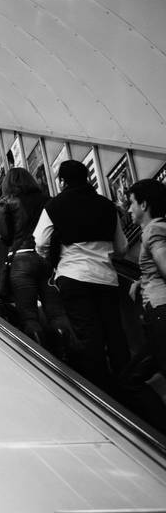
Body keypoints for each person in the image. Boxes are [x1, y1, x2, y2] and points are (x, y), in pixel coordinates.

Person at [33, 160, 129, 394]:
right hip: (106, 278)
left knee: (88, 335)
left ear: (62, 181)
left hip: (73, 276)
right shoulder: (107, 206)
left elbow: (41, 243)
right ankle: (127, 385)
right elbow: (122, 247)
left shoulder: (54, 206)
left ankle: (99, 391)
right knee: (114, 332)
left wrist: (55, 256)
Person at [0, 168, 68, 344]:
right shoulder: (47, 200)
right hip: (46, 259)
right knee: (56, 312)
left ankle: (39, 352)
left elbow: (5, 236)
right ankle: (67, 352)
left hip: (21, 260)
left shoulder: (7, 203)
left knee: (29, 316)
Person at [124, 179, 166, 430]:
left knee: (131, 379)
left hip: (161, 313)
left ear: (144, 204)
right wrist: (141, 281)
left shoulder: (153, 230)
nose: (129, 209)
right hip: (159, 313)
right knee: (131, 378)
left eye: (131, 203)